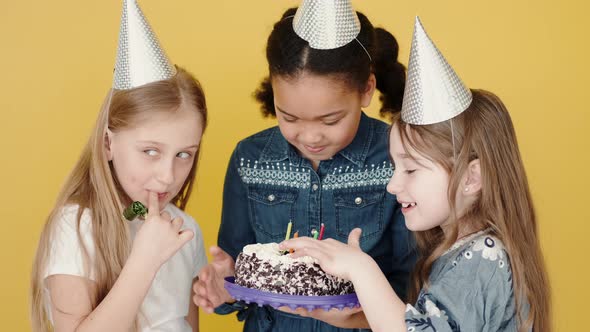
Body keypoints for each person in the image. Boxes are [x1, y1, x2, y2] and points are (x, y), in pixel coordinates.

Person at [282, 17, 551, 332]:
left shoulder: (483, 258)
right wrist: (359, 314)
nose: (394, 184)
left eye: (411, 168)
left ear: (471, 177)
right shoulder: (463, 252)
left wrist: (362, 269)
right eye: (396, 167)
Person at [193, 1, 417, 331]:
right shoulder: (250, 158)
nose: (311, 136)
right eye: (289, 117)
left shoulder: (397, 161)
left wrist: (358, 313)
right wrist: (224, 285)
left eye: (330, 119)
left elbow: (413, 285)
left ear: (366, 90)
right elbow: (241, 276)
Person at [30, 1, 208, 331]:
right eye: (151, 151)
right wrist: (146, 259)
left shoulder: (185, 230)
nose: (168, 176)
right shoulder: (78, 226)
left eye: (184, 154)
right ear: (109, 144)